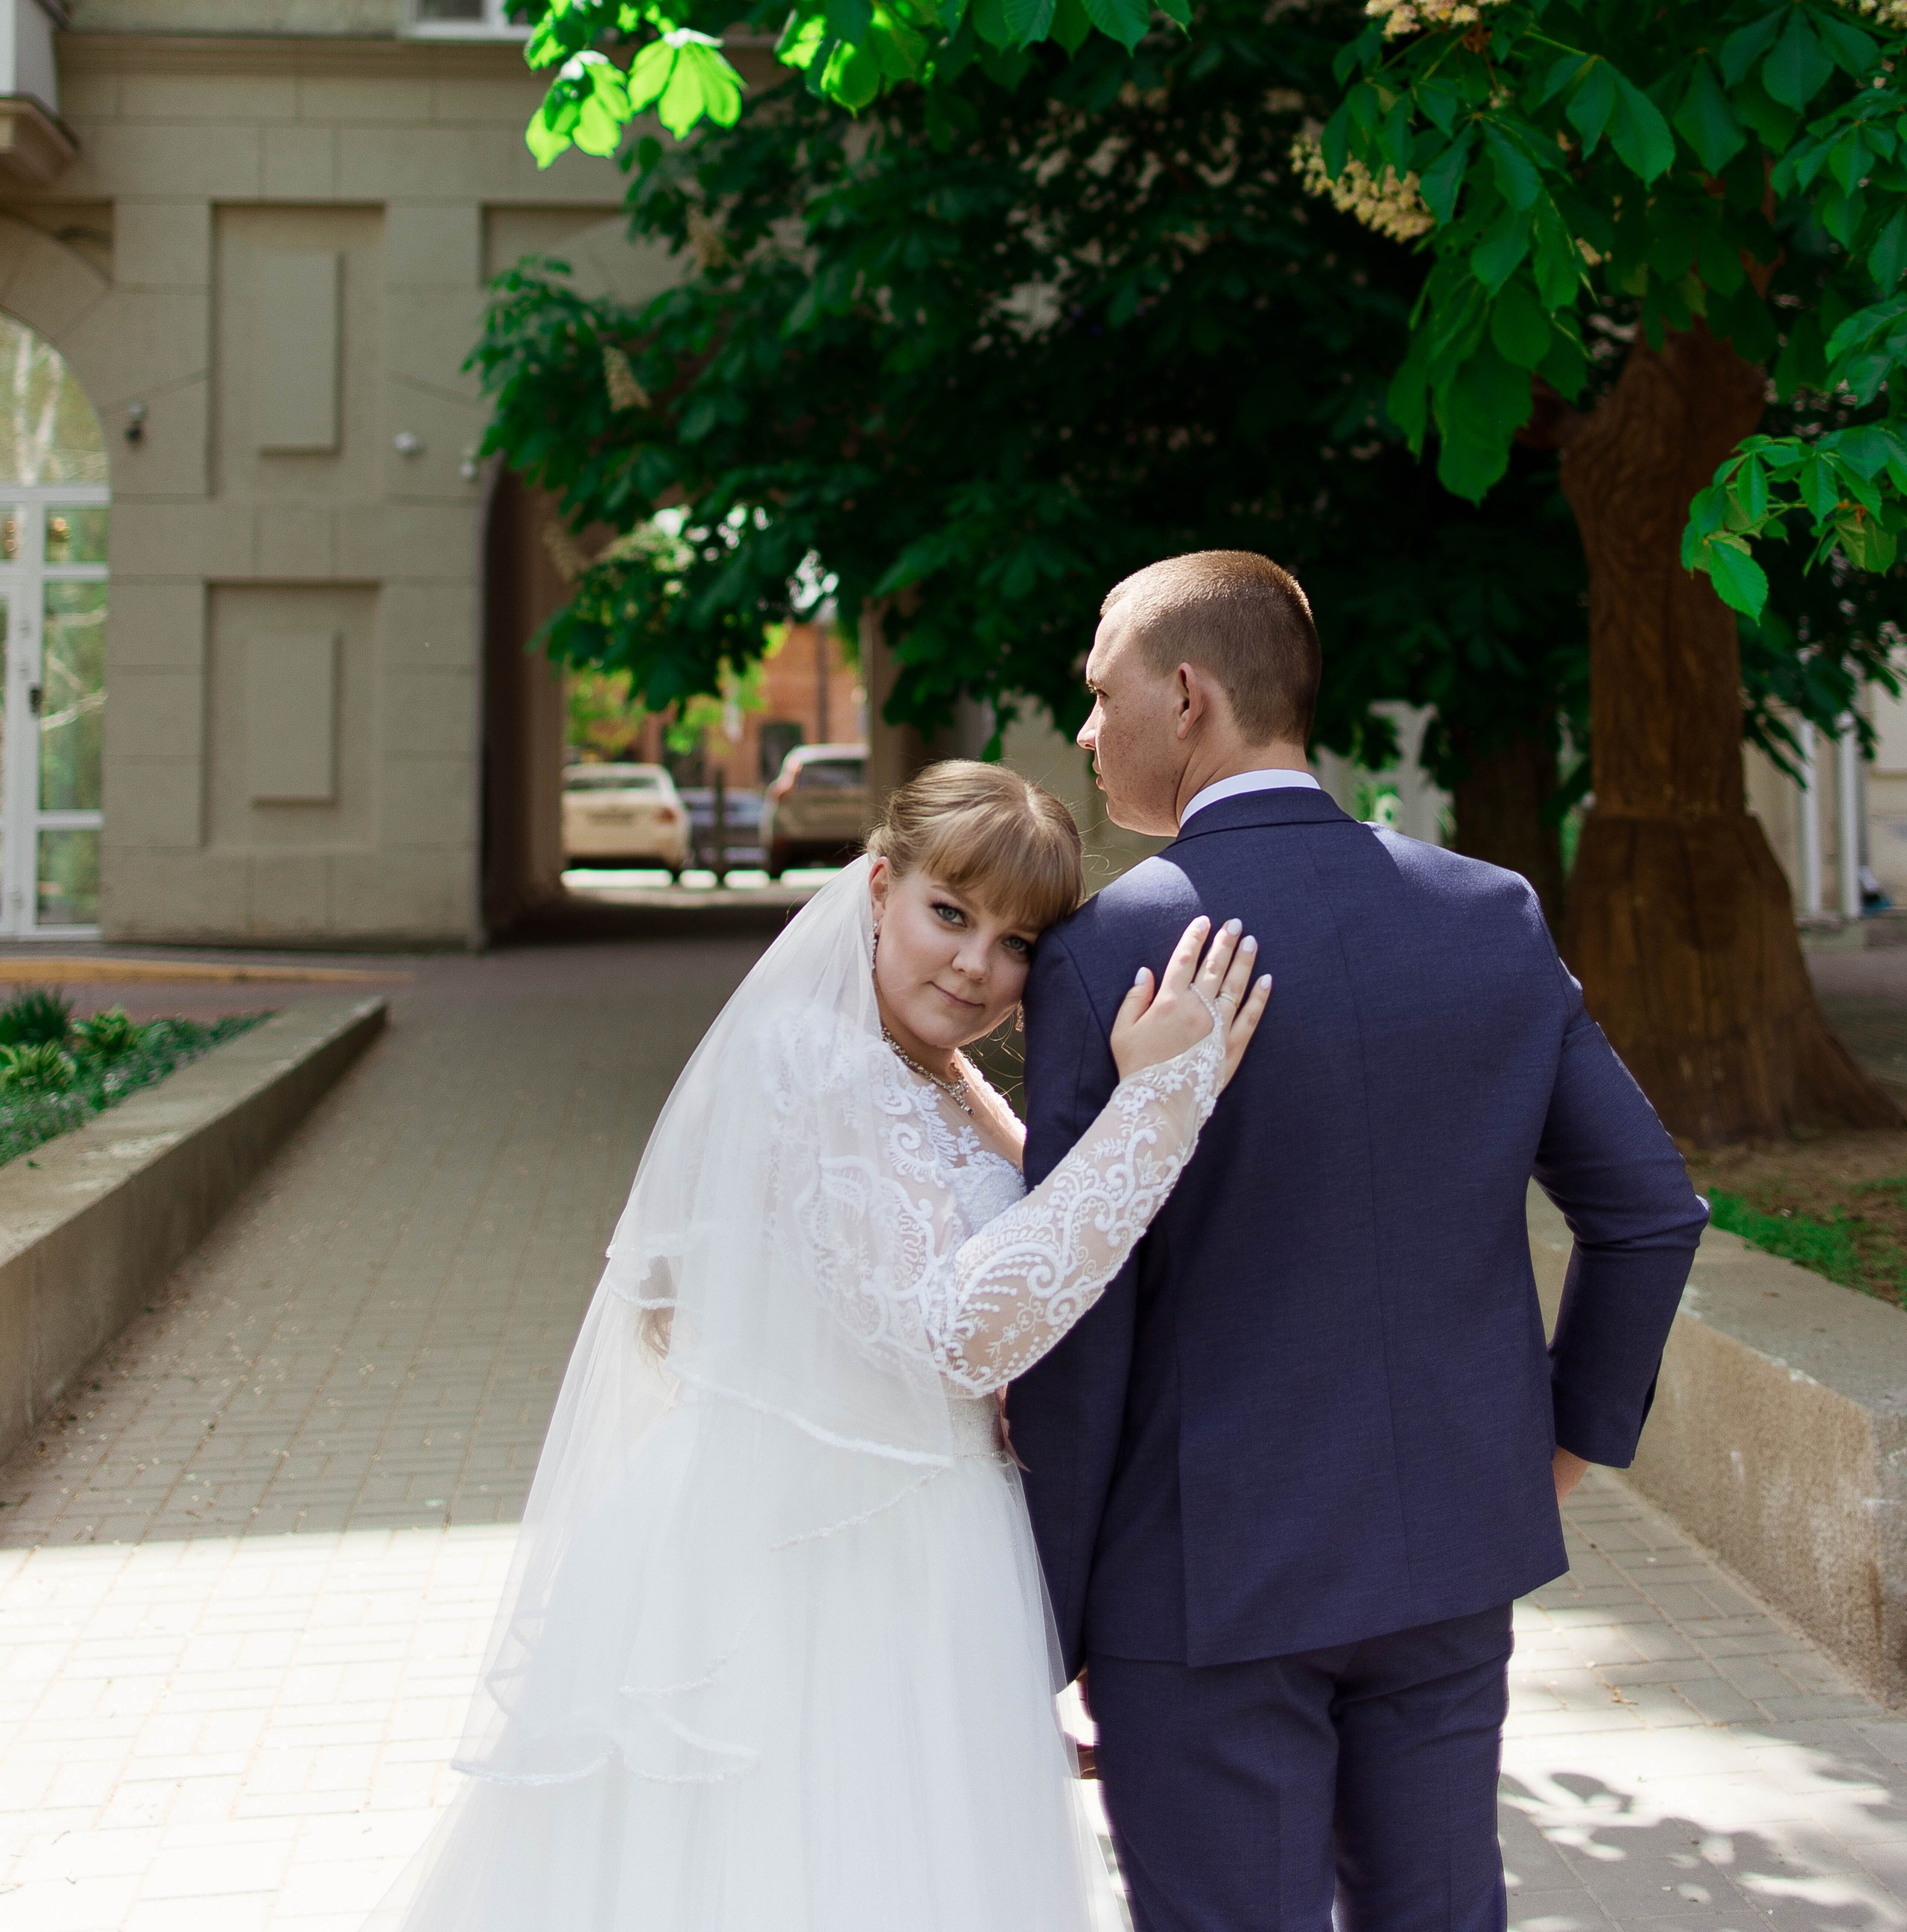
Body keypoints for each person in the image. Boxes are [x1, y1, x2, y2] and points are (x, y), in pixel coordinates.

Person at [374, 761, 1269, 1932]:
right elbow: (956, 1330)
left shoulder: (941, 1079)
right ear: (880, 887)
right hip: (808, 1552)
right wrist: (1157, 1108)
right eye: (950, 913)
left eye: (1015, 942)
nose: (974, 965)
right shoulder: (807, 1055)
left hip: (922, 1534)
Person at [1008, 548, 1709, 1932]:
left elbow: (1080, 1325)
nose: (1087, 732)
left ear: (1188, 694)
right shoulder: (1487, 910)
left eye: (1100, 696)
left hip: (1197, 1585)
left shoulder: (1111, 950)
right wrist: (1556, 1449)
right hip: (1446, 1556)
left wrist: (1042, 1617)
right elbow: (1648, 1212)